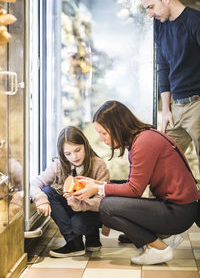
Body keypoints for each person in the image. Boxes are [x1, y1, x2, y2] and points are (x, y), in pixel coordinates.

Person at [72, 100, 200, 265]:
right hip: (180, 207)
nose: (102, 139)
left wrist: (98, 188)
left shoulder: (143, 143)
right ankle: (163, 238)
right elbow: (134, 183)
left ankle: (158, 248)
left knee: (107, 208)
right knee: (109, 200)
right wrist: (95, 183)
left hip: (178, 212)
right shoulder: (145, 136)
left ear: (117, 127)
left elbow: (134, 190)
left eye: (104, 133)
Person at [136, 0, 200, 177]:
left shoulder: (194, 21)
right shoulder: (159, 25)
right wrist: (166, 109)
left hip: (197, 106)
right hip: (175, 108)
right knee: (158, 164)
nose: (150, 13)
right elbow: (162, 67)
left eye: (151, 6)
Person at [30, 126, 110, 258]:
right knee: (47, 191)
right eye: (68, 154)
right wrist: (40, 199)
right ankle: (74, 243)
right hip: (73, 206)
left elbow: (103, 201)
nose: (74, 156)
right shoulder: (59, 164)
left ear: (85, 145)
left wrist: (81, 204)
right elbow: (35, 183)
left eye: (78, 150)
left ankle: (93, 238)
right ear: (62, 154)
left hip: (92, 212)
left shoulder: (99, 165)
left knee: (78, 223)